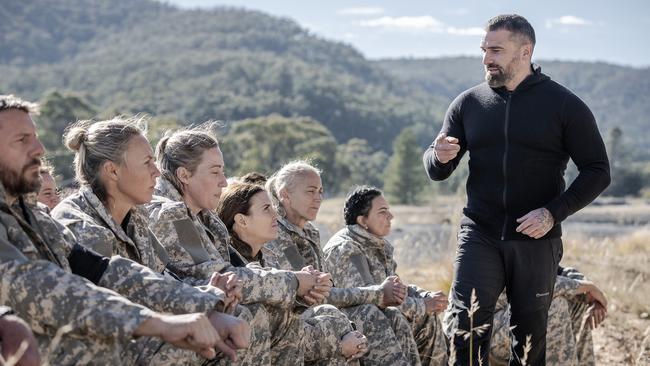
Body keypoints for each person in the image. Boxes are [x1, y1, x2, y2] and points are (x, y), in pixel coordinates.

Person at [0, 94, 247, 364]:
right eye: (22, 140)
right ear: (112, 171)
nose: (39, 149)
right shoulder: (80, 221)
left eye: (35, 137)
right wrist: (158, 323)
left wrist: (204, 306)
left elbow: (102, 270)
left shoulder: (29, 213)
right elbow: (35, 285)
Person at [422, 14, 611, 365]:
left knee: (528, 341)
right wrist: (438, 155)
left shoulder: (564, 105)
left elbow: (598, 171)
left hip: (537, 239)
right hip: (480, 233)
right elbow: (437, 168)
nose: (486, 59)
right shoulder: (468, 103)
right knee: (465, 326)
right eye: (484, 49)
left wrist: (554, 212)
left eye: (496, 50)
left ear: (525, 51)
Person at [145, 126, 333, 365]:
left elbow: (239, 269)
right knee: (249, 315)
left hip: (196, 314)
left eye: (222, 172)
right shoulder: (170, 215)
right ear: (184, 175)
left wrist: (301, 289)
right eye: (215, 172)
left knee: (289, 316)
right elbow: (217, 277)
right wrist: (293, 282)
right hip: (171, 324)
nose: (223, 182)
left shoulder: (205, 217)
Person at [265, 161, 419, 366]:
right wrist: (379, 294)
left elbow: (328, 288)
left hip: (322, 314)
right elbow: (316, 296)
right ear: (285, 194)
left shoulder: (309, 232)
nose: (318, 198)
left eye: (321, 191)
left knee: (393, 315)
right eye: (311, 191)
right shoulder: (277, 233)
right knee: (367, 313)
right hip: (293, 323)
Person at [216, 180, 370, 365]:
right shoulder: (228, 259)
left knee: (333, 316)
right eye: (266, 209)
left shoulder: (265, 257)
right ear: (242, 220)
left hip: (284, 339)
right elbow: (270, 317)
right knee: (338, 334)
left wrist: (305, 293)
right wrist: (338, 346)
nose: (276, 215)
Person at [323, 186, 449, 366]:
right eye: (383, 212)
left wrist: (424, 297)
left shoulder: (374, 244)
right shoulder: (346, 248)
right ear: (362, 220)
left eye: (389, 211)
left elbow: (397, 290)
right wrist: (421, 306)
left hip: (381, 316)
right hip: (358, 323)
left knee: (428, 318)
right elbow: (368, 299)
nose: (391, 217)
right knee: (398, 315)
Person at [488, 267, 606, 366]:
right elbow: (536, 289)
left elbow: (559, 270)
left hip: (524, 317)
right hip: (495, 333)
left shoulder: (539, 242)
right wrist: (588, 287)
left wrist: (590, 294)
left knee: (579, 297)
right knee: (553, 304)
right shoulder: (507, 241)